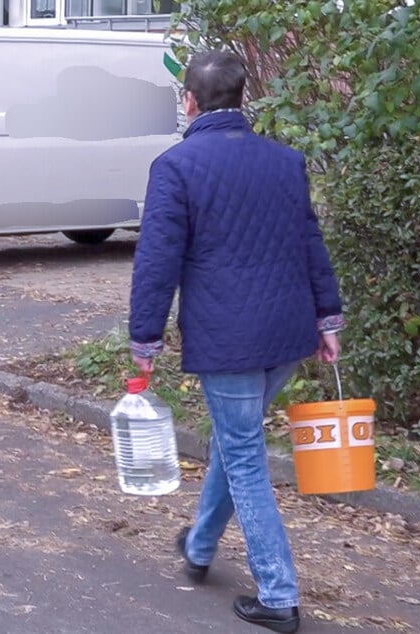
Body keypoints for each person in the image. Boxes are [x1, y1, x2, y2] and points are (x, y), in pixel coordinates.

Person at [128, 51, 344, 633]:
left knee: (244, 454)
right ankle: (199, 547)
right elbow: (310, 243)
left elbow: (157, 263)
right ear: (241, 98)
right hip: (287, 334)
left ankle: (278, 592)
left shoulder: (175, 166)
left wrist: (144, 338)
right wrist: (327, 320)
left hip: (230, 340)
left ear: (190, 102)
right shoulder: (284, 161)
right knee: (235, 440)